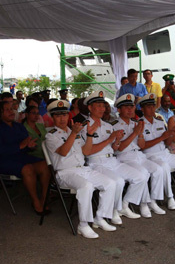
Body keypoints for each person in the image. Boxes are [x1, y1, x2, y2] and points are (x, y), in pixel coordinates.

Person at [44, 100, 120, 239]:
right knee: (86, 186)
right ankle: (83, 224)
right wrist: (73, 134)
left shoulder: (75, 131)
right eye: (58, 116)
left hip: (82, 169)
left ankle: (100, 217)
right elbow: (63, 152)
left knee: (110, 183)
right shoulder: (51, 135)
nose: (62, 119)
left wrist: (90, 135)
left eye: (65, 115)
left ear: (68, 116)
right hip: (65, 172)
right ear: (52, 118)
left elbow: (86, 151)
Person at [83, 94, 150, 219]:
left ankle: (124, 205)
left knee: (140, 176)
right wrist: (110, 139)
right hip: (96, 162)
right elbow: (89, 151)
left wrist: (117, 141)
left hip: (111, 159)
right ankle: (113, 211)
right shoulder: (84, 126)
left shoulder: (107, 126)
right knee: (118, 181)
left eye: (103, 106)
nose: (102, 109)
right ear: (90, 108)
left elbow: (114, 148)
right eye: (98, 106)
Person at [0, 100, 51, 215]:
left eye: (11, 109)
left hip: (22, 157)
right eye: (7, 110)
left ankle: (44, 199)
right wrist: (20, 146)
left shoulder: (19, 126)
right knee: (28, 168)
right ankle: (36, 202)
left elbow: (25, 145)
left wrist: (29, 146)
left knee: (45, 165)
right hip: (4, 160)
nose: (11, 112)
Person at [113, 94, 171, 215]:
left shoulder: (136, 123)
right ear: (119, 110)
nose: (130, 110)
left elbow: (141, 145)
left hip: (139, 155)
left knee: (158, 169)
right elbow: (119, 149)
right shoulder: (114, 125)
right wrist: (135, 133)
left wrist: (139, 134)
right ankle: (144, 203)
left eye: (132, 107)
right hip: (125, 158)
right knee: (143, 173)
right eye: (126, 107)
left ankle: (153, 201)